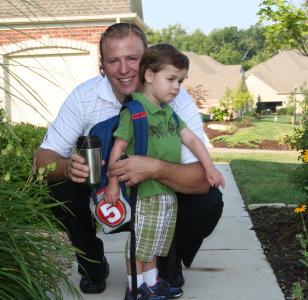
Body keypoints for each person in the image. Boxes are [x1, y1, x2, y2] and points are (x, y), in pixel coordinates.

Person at [34, 23, 224, 295]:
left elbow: (200, 179)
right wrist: (67, 167)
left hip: (157, 196)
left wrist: (156, 168)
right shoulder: (83, 97)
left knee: (208, 200)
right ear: (102, 64)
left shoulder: (176, 100)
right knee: (61, 186)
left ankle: (164, 262)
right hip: (107, 193)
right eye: (114, 60)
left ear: (148, 62)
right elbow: (42, 158)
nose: (124, 69)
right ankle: (92, 263)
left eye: (132, 59)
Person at [104, 44, 225, 299]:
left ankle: (151, 283)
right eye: (171, 79)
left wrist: (210, 167)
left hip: (166, 191)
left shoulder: (168, 113)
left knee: (156, 242)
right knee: (140, 244)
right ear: (149, 75)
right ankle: (134, 288)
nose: (176, 86)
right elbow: (118, 148)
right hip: (145, 193)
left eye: (180, 81)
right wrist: (113, 183)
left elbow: (193, 140)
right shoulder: (135, 112)